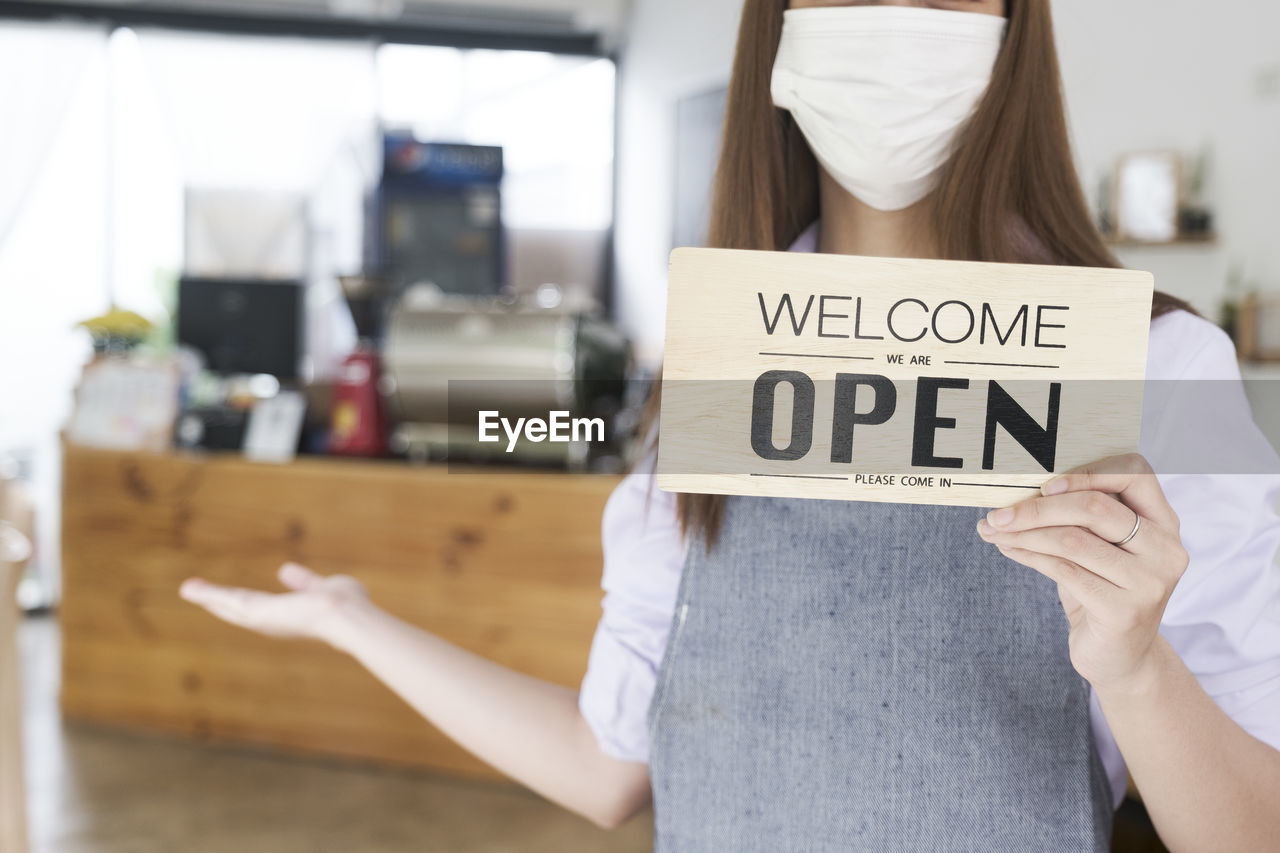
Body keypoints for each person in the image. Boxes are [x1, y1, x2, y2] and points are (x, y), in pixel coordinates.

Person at [181, 1, 1280, 849]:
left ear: (1012, 29)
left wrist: (1135, 665)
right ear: (778, 27)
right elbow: (610, 764)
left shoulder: (1162, 367)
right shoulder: (715, 369)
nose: (894, 18)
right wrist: (353, 620)